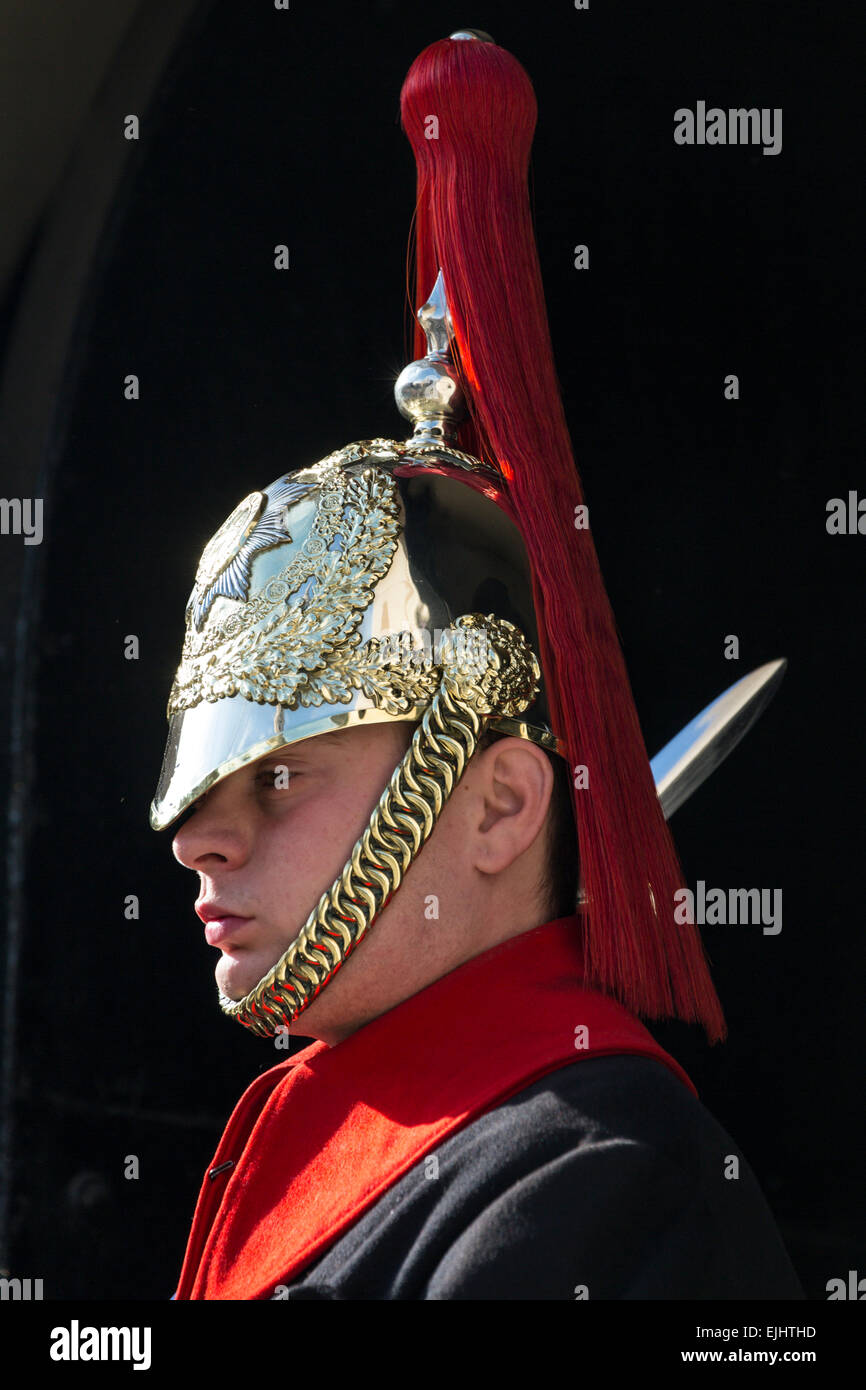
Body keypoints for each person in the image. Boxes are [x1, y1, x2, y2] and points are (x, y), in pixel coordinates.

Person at [151, 31, 803, 1300]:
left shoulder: (602, 1178)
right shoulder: (349, 1129)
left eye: (276, 779)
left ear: (502, 801)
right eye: (207, 784)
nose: (197, 839)